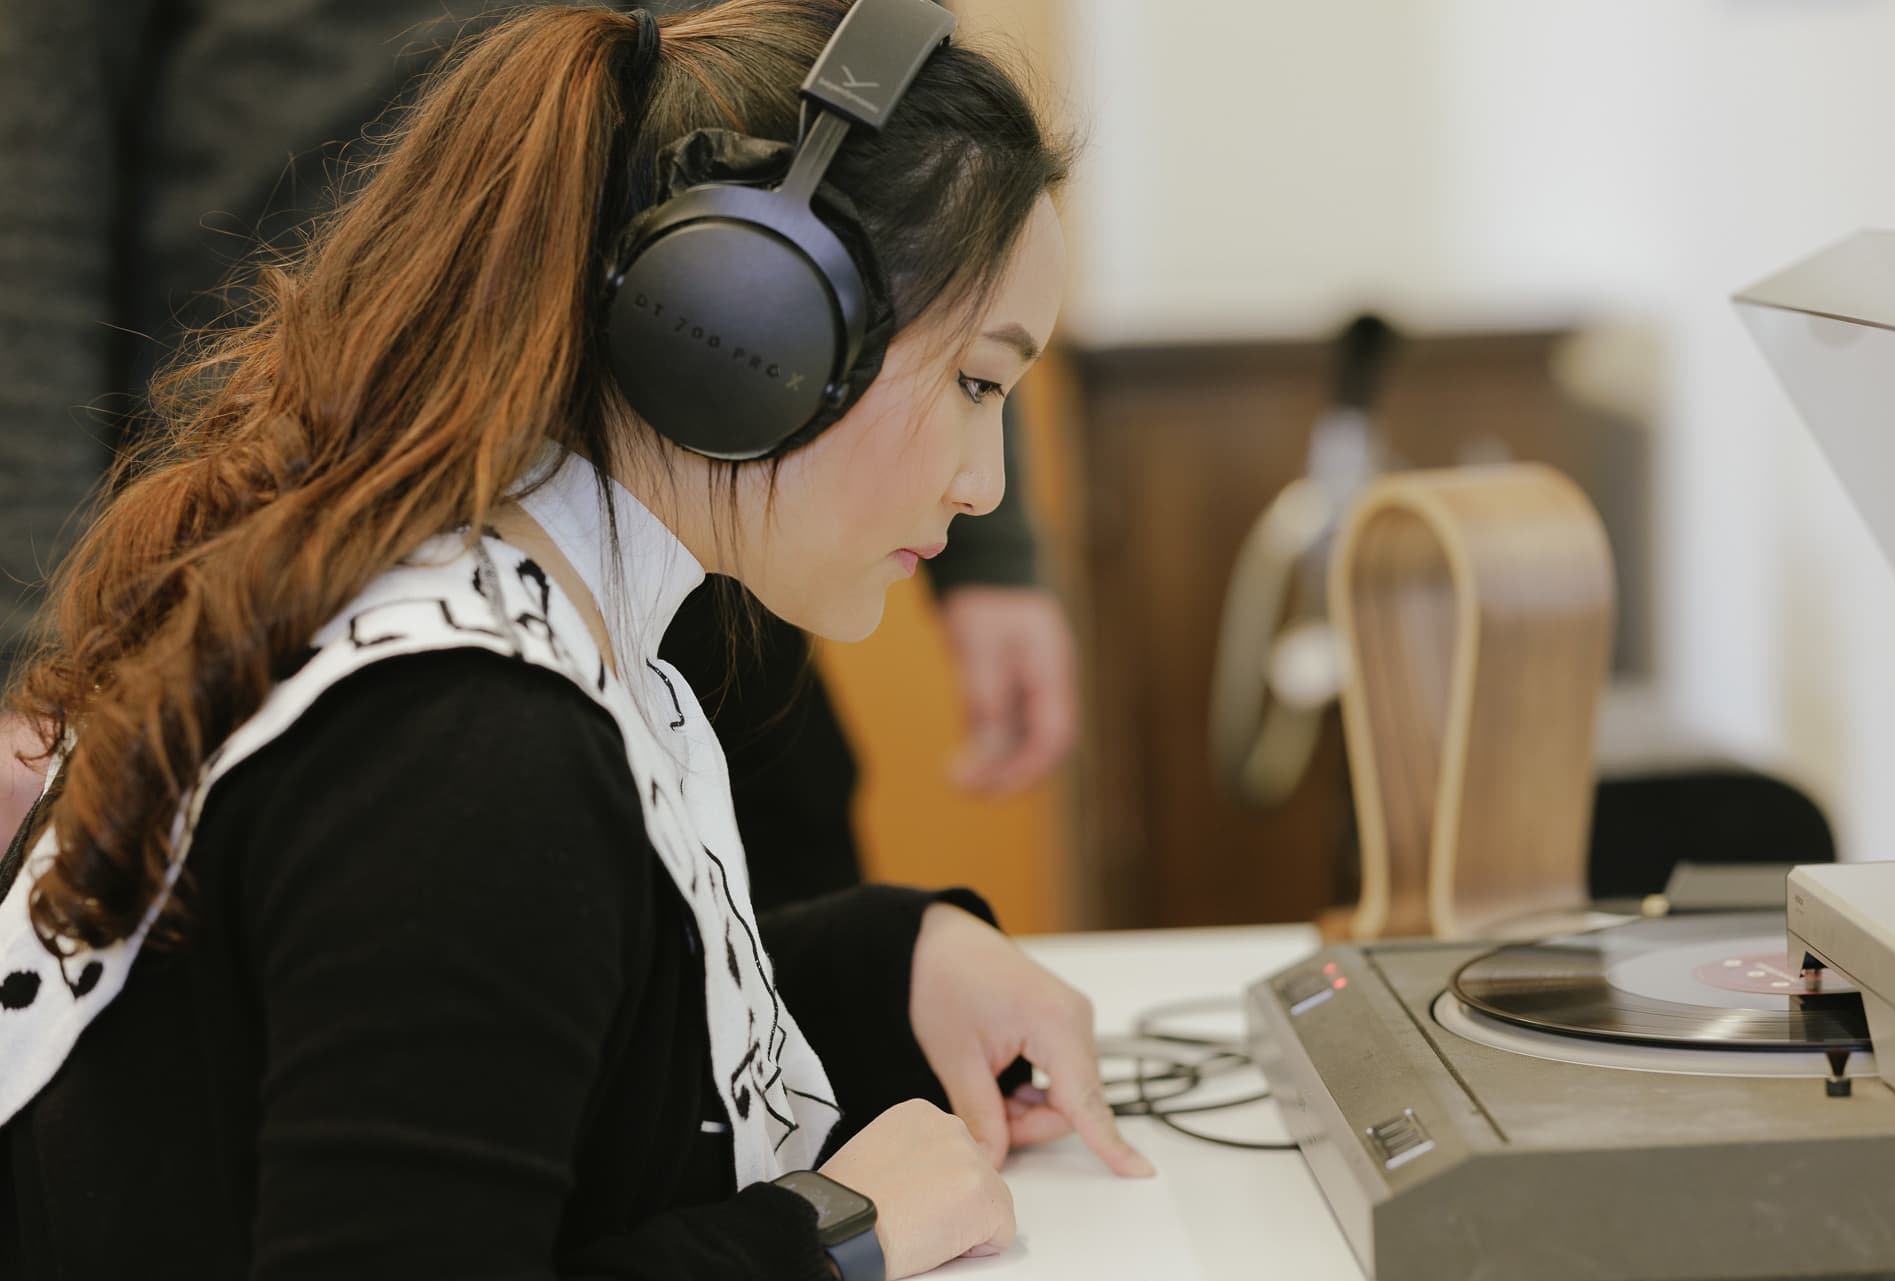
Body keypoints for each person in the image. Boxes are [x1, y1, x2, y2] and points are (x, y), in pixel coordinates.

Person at [0, 4, 1147, 1278]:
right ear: (756, 322)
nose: (986, 483)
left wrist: (889, 962)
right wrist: (826, 1238)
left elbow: (540, 1044)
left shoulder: (503, 624)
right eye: (979, 381)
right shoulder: (465, 752)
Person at [0, 0, 1080, 891]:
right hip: (323, 513)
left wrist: (990, 558)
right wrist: (39, 646)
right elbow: (27, 227)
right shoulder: (458, 738)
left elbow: (919, 179)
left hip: (714, 474)